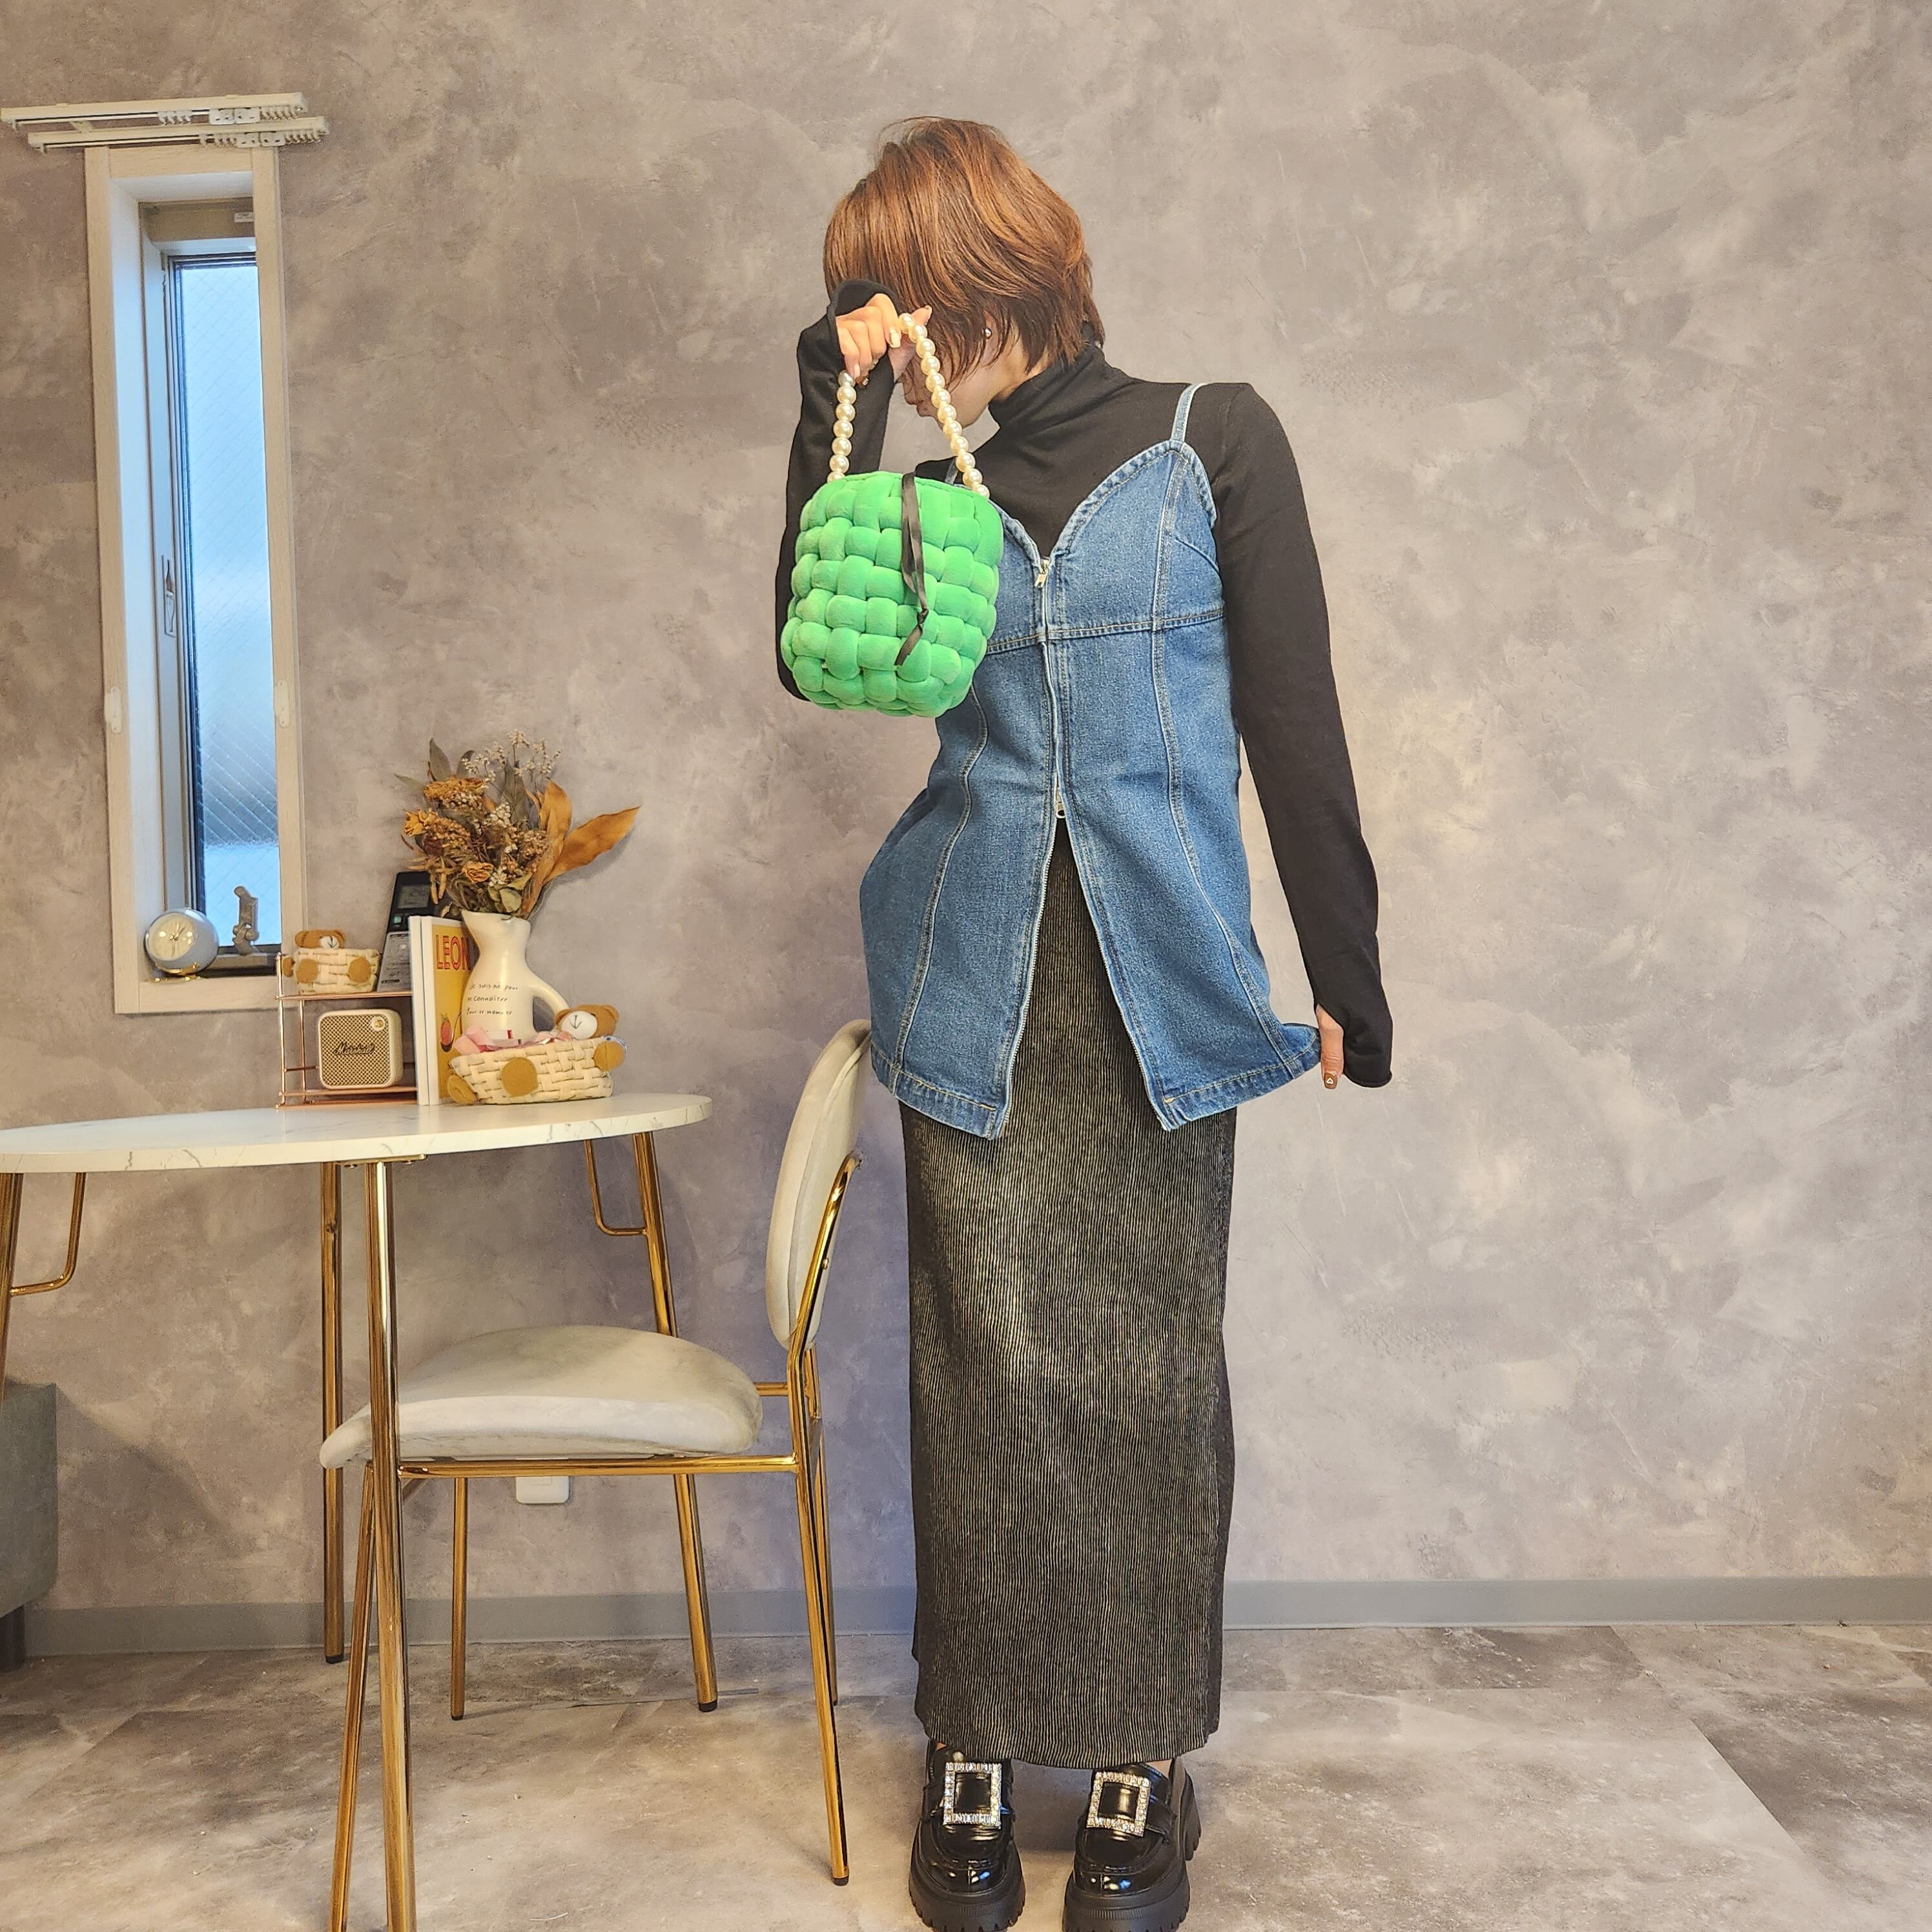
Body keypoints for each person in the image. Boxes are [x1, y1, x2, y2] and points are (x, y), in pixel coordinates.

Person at [775, 116, 1392, 1932]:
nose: (909, 348)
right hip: (965, 981)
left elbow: (1293, 714)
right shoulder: (914, 488)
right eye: (879, 317)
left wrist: (1347, 971)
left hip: (1161, 987)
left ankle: (1138, 1765)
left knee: (1146, 1374)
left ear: (996, 278)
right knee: (981, 1374)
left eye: (909, 309)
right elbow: (814, 650)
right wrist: (829, 393)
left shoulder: (1213, 439)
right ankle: (970, 1752)